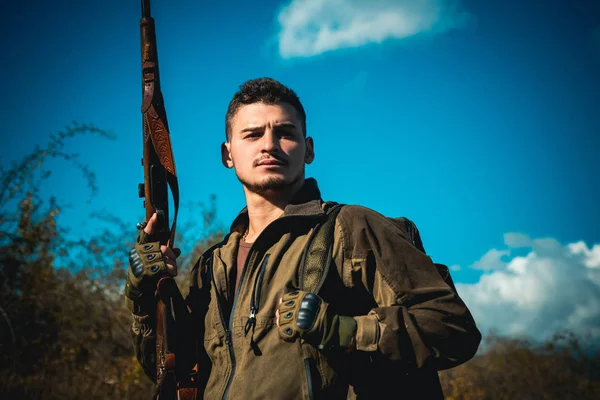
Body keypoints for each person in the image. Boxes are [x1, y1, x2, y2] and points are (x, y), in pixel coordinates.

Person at [126, 77, 482, 399]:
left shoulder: (352, 228)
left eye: (285, 133)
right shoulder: (213, 264)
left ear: (308, 149)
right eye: (252, 135)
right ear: (228, 155)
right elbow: (171, 370)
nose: (269, 145)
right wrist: (144, 292)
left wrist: (346, 331)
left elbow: (452, 327)